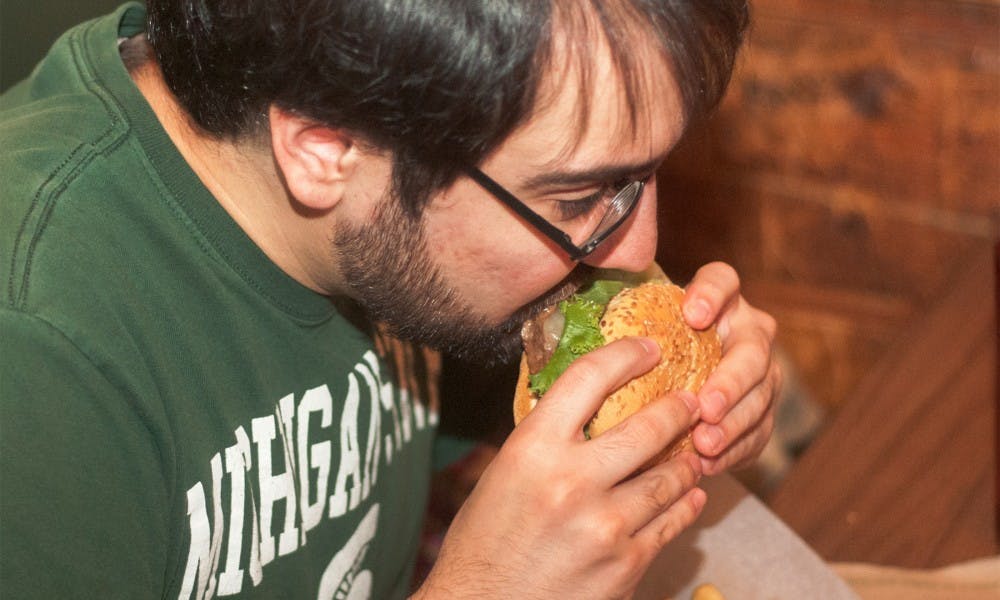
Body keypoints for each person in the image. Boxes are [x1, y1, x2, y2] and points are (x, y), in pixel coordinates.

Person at [0, 1, 780, 598]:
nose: (640, 250)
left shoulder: (390, 211)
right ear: (324, 149)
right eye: (583, 195)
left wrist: (685, 402)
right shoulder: (38, 357)